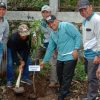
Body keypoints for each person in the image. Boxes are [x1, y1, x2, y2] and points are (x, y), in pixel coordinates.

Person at [40, 15, 81, 100]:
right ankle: (65, 90)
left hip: (70, 55)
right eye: (49, 23)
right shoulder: (52, 34)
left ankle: (62, 95)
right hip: (60, 57)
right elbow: (50, 48)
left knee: (66, 76)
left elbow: (77, 35)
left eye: (52, 22)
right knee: (59, 75)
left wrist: (76, 49)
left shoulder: (66, 26)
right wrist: (44, 61)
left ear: (56, 20)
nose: (51, 24)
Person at [78, 0, 100, 99]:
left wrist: (98, 55)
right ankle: (91, 95)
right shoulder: (85, 21)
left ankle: (92, 97)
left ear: (90, 7)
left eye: (85, 9)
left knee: (92, 77)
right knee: (90, 76)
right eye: (81, 10)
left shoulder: (97, 20)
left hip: (94, 54)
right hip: (87, 54)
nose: (83, 12)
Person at [37, 5, 58, 87]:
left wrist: (56, 48)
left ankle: (53, 81)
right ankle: (34, 75)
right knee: (34, 59)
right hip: (42, 44)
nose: (45, 14)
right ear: (41, 13)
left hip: (51, 46)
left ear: (50, 13)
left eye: (47, 12)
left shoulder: (53, 22)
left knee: (52, 63)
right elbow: (37, 33)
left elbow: (57, 35)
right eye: (44, 12)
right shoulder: (39, 22)